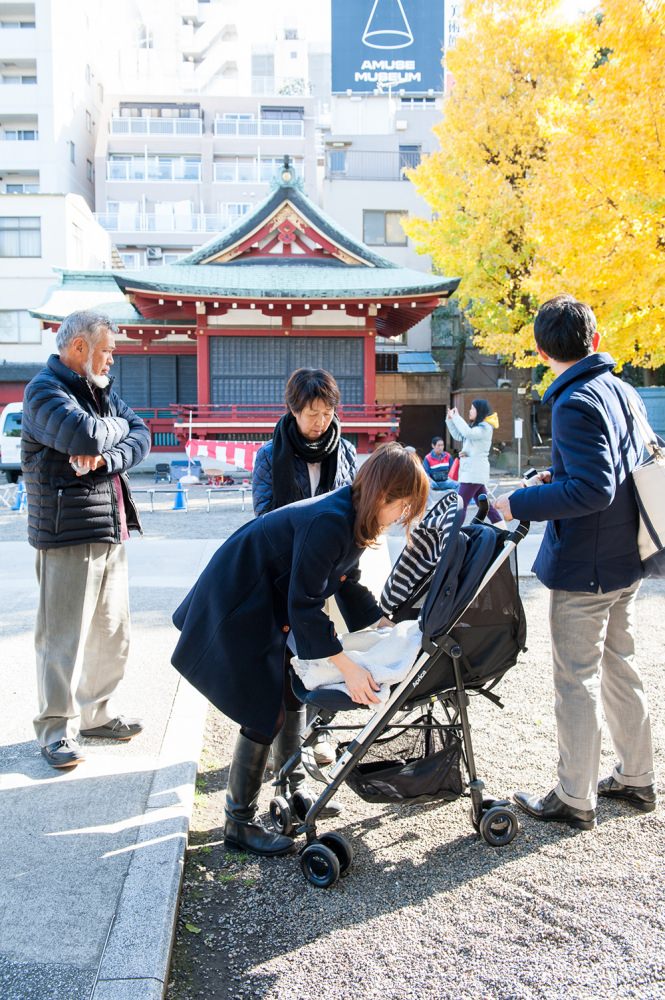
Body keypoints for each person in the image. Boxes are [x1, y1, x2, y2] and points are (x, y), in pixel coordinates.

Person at [171, 443, 430, 856]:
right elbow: (304, 604)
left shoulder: (354, 514)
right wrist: (347, 667)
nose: (401, 517)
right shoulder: (331, 521)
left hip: (269, 597)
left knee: (292, 692)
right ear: (383, 495)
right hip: (240, 594)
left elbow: (344, 581)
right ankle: (238, 823)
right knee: (263, 709)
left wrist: (383, 624)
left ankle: (292, 792)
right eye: (402, 506)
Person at [494, 294, 656, 829]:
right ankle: (637, 777)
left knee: (576, 680)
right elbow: (623, 466)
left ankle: (574, 797)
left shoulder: (573, 402)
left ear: (541, 352)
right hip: (627, 556)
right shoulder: (622, 390)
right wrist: (553, 478)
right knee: (621, 665)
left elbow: (593, 489)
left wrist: (517, 503)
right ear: (596, 340)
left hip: (586, 567)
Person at [21, 310, 150, 769]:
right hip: (65, 534)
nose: (112, 360)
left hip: (109, 527)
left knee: (111, 634)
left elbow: (142, 434)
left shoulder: (99, 392)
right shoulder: (43, 392)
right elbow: (86, 434)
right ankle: (55, 729)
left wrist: (107, 457)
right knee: (61, 639)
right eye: (107, 351)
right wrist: (111, 433)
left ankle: (98, 714)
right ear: (80, 347)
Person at [252, 368, 357, 768]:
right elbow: (265, 518)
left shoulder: (345, 452)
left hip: (328, 573)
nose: (321, 422)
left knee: (327, 653)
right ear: (293, 410)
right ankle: (276, 739)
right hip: (282, 574)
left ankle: (320, 732)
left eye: (328, 413)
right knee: (282, 660)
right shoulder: (268, 456)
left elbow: (353, 511)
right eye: (313, 413)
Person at [446, 399, 502, 523]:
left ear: (479, 411)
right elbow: (459, 435)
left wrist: (456, 417)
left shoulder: (485, 428)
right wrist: (450, 420)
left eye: (472, 408)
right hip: (473, 473)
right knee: (484, 506)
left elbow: (467, 433)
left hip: (473, 473)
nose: (470, 411)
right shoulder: (476, 428)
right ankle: (502, 529)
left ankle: (453, 532)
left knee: (461, 505)